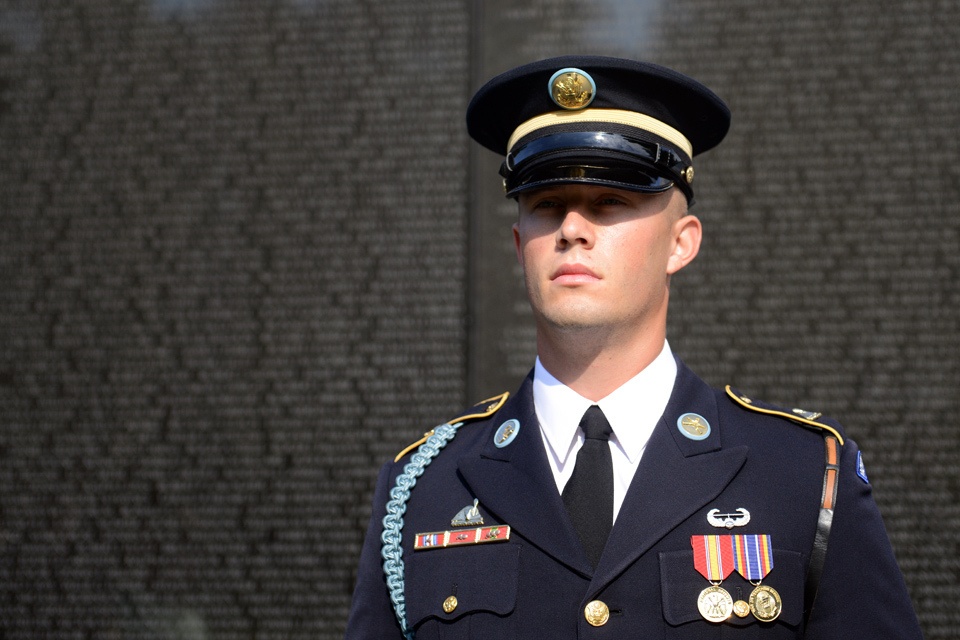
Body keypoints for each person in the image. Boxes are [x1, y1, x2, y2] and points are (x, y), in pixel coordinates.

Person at [344, 55, 923, 638]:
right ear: (521, 244)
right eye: (546, 205)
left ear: (681, 243)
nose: (571, 227)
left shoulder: (802, 474)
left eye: (609, 202)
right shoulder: (424, 486)